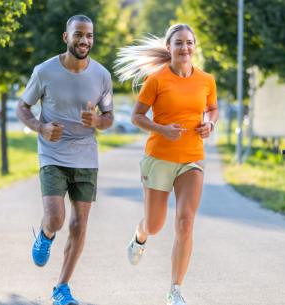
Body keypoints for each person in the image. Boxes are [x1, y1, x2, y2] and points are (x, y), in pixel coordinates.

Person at [114, 23, 218, 305]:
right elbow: (137, 116)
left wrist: (209, 123)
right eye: (179, 43)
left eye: (189, 42)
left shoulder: (206, 80)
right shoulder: (157, 80)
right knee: (155, 224)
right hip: (159, 158)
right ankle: (140, 235)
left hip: (192, 159)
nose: (185, 48)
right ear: (169, 48)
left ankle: (175, 290)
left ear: (194, 46)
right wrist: (161, 129)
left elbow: (212, 108)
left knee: (185, 223)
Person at [16, 14, 114, 305]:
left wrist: (97, 120)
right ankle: (46, 234)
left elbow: (109, 118)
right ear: (66, 37)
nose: (84, 41)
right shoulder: (44, 71)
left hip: (86, 155)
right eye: (79, 35)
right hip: (52, 153)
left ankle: (61, 288)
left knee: (79, 224)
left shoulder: (102, 76)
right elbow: (23, 106)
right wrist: (40, 127)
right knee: (57, 218)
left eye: (89, 36)